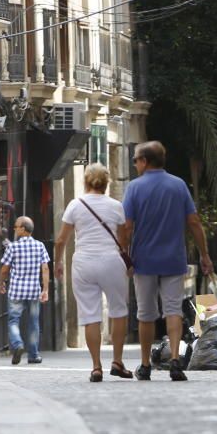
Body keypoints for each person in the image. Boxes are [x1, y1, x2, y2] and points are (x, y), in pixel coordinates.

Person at [119, 141, 213, 382]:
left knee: (146, 313)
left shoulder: (134, 188)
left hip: (144, 260)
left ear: (145, 161)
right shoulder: (178, 185)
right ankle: (174, 361)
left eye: (136, 159)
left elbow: (127, 226)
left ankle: (145, 365)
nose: (135, 164)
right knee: (173, 310)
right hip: (173, 258)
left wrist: (124, 253)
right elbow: (194, 222)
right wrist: (204, 255)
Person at [54, 163, 133, 382]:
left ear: (85, 182)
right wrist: (125, 259)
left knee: (90, 315)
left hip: (83, 263)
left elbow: (61, 239)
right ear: (107, 183)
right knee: (118, 311)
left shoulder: (75, 205)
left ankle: (96, 367)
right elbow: (123, 239)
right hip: (111, 261)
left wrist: (58, 263)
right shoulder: (116, 206)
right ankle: (117, 361)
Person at [0, 216, 50, 365]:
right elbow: (45, 268)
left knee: (13, 320)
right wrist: (45, 289)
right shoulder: (40, 246)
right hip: (33, 290)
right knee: (34, 322)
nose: (14, 229)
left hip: (16, 290)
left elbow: (4, 269)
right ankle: (33, 355)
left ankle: (18, 344)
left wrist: (1, 282)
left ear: (23, 229)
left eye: (16, 226)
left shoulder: (12, 247)